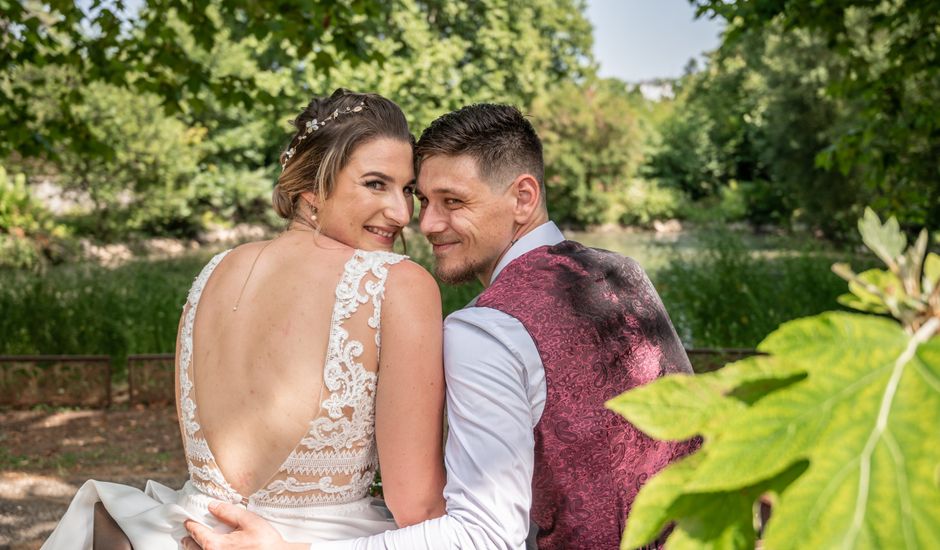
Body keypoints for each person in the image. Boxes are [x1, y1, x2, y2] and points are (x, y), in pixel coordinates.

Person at [185, 103, 699, 550]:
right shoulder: (624, 276)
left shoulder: (486, 329)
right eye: (422, 198)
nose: (420, 221)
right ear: (311, 190)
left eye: (450, 201)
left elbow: (479, 535)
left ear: (523, 198)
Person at [41, 89, 448, 550]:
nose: (402, 213)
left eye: (407, 189)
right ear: (311, 190)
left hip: (179, 534)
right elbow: (418, 507)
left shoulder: (212, 273)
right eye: (376, 184)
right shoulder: (397, 283)